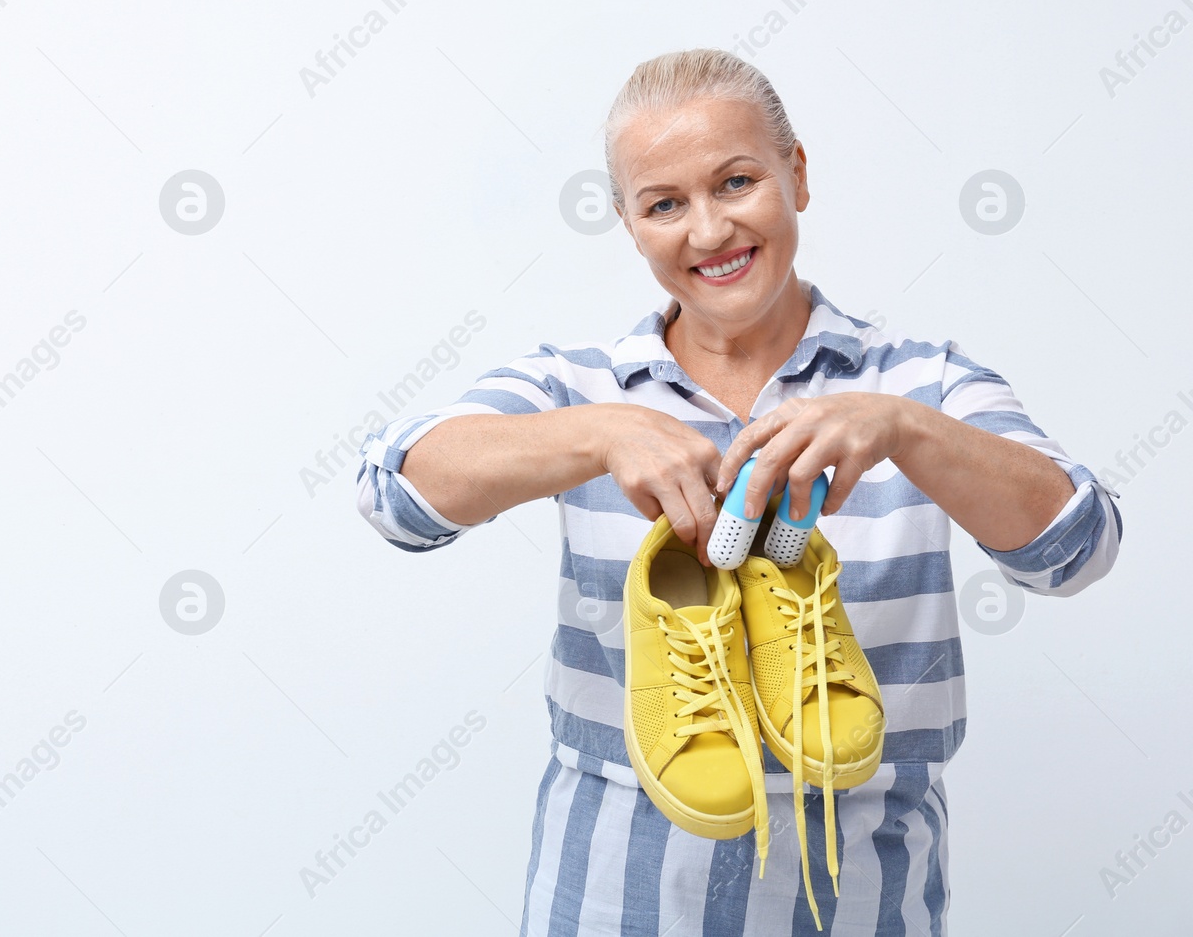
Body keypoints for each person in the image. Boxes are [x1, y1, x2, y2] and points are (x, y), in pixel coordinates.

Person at [352, 47, 1123, 935]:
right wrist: (596, 433)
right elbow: (393, 496)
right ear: (629, 224)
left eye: (736, 181)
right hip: (608, 904)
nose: (709, 231)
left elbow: (1079, 548)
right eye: (665, 204)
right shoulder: (576, 383)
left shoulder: (923, 383)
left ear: (797, 173)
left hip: (865, 909)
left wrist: (906, 430)